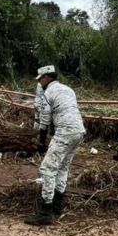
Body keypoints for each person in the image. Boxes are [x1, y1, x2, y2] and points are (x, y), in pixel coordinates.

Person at [25, 65, 85, 226]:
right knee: (62, 167)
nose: (39, 83)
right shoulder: (68, 89)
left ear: (46, 78)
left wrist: (41, 142)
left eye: (40, 80)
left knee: (47, 169)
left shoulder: (48, 92)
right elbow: (63, 111)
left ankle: (45, 212)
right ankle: (58, 205)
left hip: (65, 131)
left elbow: (44, 121)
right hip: (79, 130)